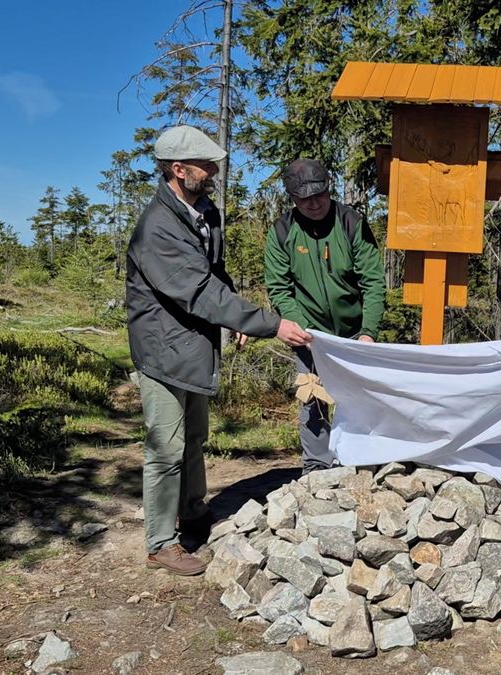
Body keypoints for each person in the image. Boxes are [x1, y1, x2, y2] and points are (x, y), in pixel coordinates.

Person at [126, 125, 311, 576]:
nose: (214, 171)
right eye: (205, 165)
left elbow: (215, 274)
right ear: (178, 169)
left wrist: (234, 319)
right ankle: (160, 542)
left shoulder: (204, 212)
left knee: (193, 439)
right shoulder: (159, 228)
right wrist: (267, 323)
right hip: (162, 350)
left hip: (192, 346)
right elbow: (198, 292)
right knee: (166, 448)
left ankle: (192, 511)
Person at [264, 158, 386, 474]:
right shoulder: (281, 231)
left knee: (361, 399)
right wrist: (300, 329)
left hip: (355, 334)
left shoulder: (350, 223)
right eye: (305, 198)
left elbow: (373, 281)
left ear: (328, 189)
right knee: (312, 399)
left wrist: (368, 331)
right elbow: (279, 287)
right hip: (309, 335)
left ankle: (362, 462)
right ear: (292, 197)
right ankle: (317, 468)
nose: (314, 203)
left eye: (320, 194)